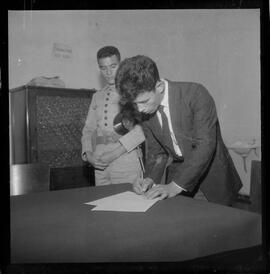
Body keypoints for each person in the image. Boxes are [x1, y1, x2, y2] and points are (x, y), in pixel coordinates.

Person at [115, 55, 242, 206]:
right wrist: (149, 179)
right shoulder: (145, 111)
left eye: (144, 102)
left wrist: (175, 186)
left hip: (211, 177)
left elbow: (205, 145)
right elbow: (157, 153)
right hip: (178, 174)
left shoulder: (196, 94)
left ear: (159, 87)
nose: (140, 109)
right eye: (135, 104)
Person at [81, 46, 145, 186]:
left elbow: (141, 132)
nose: (108, 72)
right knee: (103, 203)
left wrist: (114, 154)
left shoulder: (133, 92)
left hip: (125, 159)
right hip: (100, 162)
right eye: (103, 68)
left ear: (121, 65)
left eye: (113, 66)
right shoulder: (97, 96)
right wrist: (88, 154)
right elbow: (88, 129)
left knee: (127, 204)